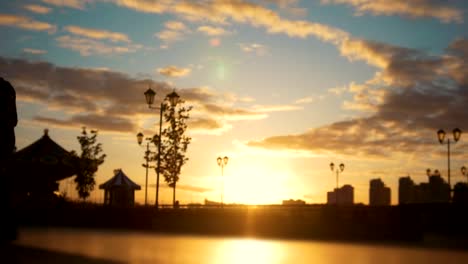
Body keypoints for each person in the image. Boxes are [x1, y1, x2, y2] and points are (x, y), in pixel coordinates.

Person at [0, 77, 18, 242]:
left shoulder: (6, 89)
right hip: (5, 141)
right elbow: (14, 120)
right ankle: (8, 228)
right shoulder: (8, 88)